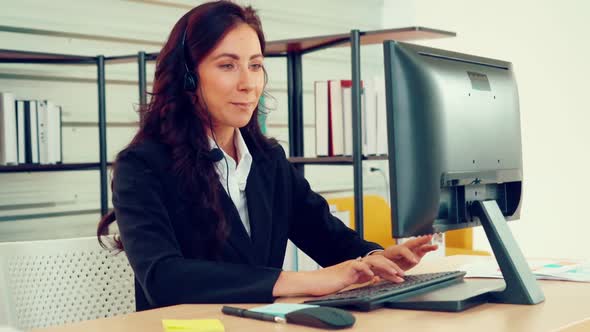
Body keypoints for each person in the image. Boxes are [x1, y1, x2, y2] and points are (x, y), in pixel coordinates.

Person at [97, 0, 438, 312]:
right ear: (187, 77)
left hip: (258, 323)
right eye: (228, 65)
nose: (249, 83)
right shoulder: (142, 166)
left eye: (256, 65)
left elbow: (326, 235)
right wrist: (302, 282)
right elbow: (164, 278)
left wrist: (376, 257)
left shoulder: (267, 160)